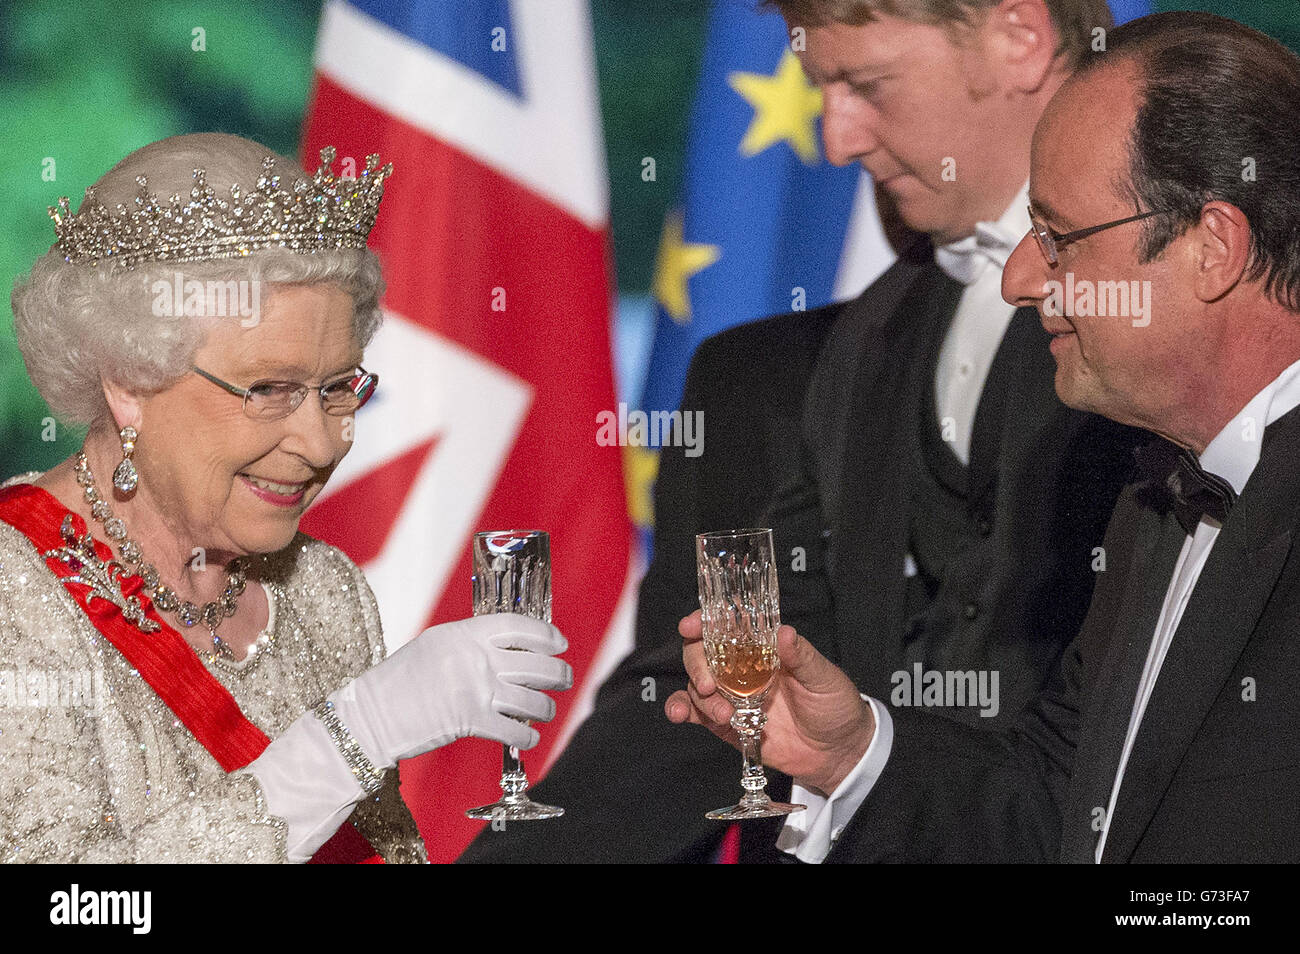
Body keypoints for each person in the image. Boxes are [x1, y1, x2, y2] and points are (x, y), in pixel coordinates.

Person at [462, 0, 1140, 864]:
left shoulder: (1171, 333)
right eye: (823, 90)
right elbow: (713, 688)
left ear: (1019, 36)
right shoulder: (843, 352)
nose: (837, 141)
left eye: (866, 83)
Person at [670, 10, 1300, 863]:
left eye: (1057, 238)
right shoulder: (1159, 506)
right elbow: (1055, 811)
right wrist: (851, 752)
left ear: (1213, 246)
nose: (1018, 278)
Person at [0, 133, 572, 863]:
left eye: (338, 388)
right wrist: (348, 741)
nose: (324, 443)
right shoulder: (16, 595)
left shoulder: (325, 592)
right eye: (269, 390)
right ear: (129, 383)